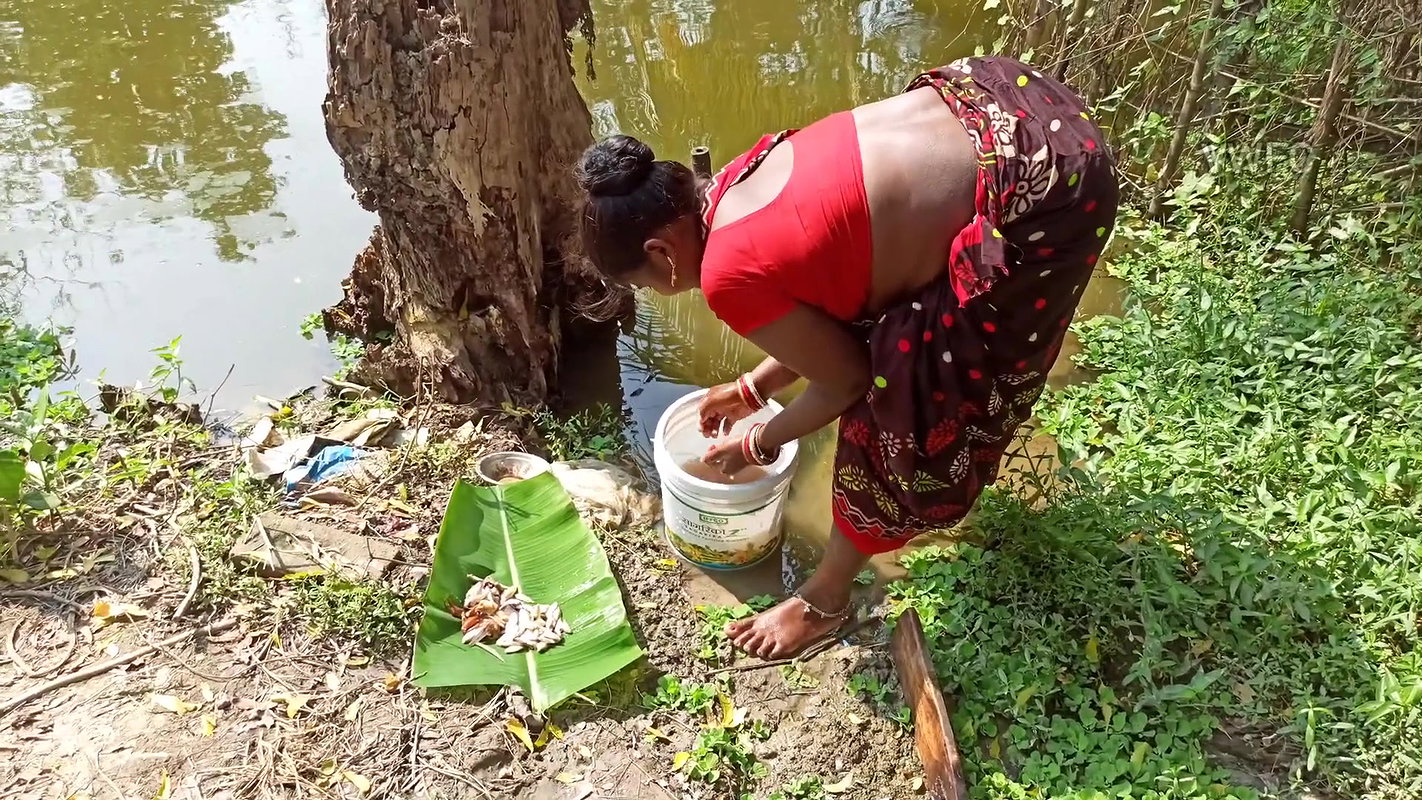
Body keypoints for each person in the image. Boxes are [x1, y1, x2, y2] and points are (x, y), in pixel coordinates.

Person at [573, 57, 1118, 660]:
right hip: (1007, 104)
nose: (657, 294)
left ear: (660, 252)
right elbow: (840, 291)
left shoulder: (727, 277)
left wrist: (755, 444)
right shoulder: (732, 183)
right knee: (890, 321)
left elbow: (848, 378)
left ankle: (824, 601)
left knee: (900, 401)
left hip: (1045, 194)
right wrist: (751, 391)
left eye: (646, 284)